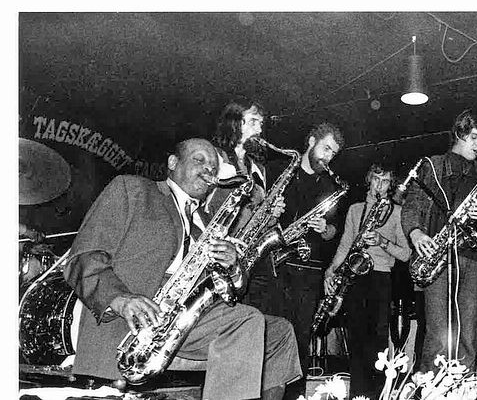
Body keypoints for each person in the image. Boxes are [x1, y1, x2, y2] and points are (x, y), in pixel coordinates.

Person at [64, 138, 301, 400]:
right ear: (173, 163)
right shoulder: (133, 189)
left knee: (279, 331)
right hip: (134, 322)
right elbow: (83, 256)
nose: (209, 170)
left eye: (214, 167)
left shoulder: (212, 222)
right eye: (199, 160)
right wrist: (119, 299)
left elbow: (231, 291)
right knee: (246, 321)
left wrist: (234, 267)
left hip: (183, 318)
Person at [401, 109, 477, 372]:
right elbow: (411, 208)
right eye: (474, 137)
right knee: (438, 335)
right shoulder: (432, 165)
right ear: (459, 133)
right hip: (438, 259)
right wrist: (416, 233)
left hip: (473, 260)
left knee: (468, 337)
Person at [246, 122, 344, 392]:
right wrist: (271, 216)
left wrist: (326, 229)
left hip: (308, 272)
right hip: (275, 268)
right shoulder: (278, 172)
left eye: (333, 154)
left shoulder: (330, 186)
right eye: (326, 148)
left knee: (300, 344)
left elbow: (334, 231)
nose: (328, 157)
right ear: (311, 140)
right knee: (269, 338)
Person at [323, 163, 412, 396]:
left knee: (378, 342)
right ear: (369, 181)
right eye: (376, 179)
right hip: (355, 278)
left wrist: (382, 242)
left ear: (390, 186)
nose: (379, 186)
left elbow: (405, 253)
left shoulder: (397, 212)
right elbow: (345, 244)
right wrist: (331, 269)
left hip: (381, 278)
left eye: (385, 182)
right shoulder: (355, 209)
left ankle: (376, 394)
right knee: (356, 340)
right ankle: (358, 395)